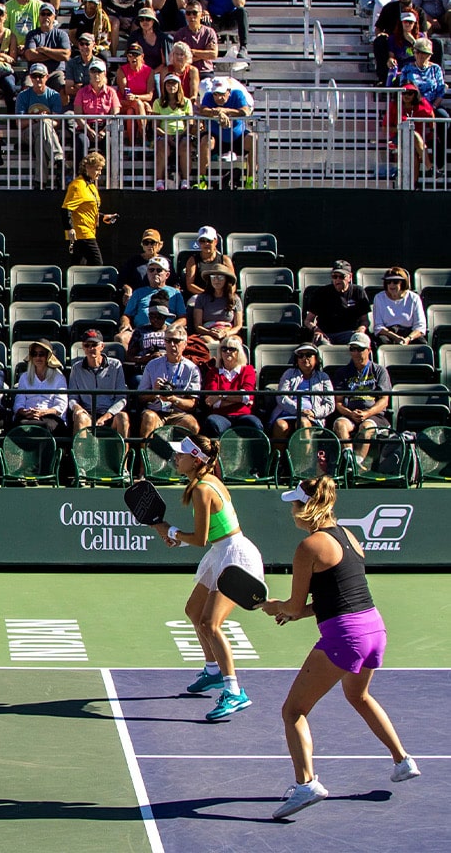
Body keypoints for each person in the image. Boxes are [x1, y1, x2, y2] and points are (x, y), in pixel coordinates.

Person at [260, 477, 421, 819]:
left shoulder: (309, 547)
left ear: (309, 507)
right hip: (374, 629)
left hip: (345, 637)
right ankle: (402, 760)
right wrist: (295, 614)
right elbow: (330, 599)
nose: (291, 511)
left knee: (293, 711)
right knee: (358, 695)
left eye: (295, 505)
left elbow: (294, 602)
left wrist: (278, 607)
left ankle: (306, 784)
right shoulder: (350, 538)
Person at [165, 434, 264, 721]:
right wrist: (178, 538)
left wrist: (173, 534)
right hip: (221, 551)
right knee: (193, 611)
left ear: (196, 460)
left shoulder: (202, 489)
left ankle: (234, 691)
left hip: (235, 555)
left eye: (181, 455)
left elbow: (199, 539)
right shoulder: (202, 482)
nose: (176, 459)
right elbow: (206, 539)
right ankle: (212, 671)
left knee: (211, 623)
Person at [329, 333, 392, 468]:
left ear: (369, 350)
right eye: (353, 349)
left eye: (360, 349)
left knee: (366, 427)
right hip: (350, 414)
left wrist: (368, 413)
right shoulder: (342, 372)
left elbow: (384, 400)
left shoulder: (379, 371)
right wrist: (349, 413)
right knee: (340, 424)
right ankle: (349, 459)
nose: (356, 353)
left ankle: (357, 464)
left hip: (374, 415)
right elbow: (338, 402)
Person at [138, 321, 201, 436]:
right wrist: (154, 392)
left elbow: (192, 404)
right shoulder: (152, 365)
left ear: (185, 344)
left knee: (192, 425)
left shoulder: (192, 369)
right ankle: (145, 453)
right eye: (168, 341)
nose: (172, 344)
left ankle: (182, 454)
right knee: (149, 417)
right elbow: (141, 397)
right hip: (156, 410)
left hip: (178, 413)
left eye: (176, 341)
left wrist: (173, 399)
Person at [68, 329, 128, 436]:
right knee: (80, 417)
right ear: (83, 347)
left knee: (123, 417)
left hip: (110, 413)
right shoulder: (76, 368)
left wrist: (107, 415)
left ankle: (124, 452)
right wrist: (77, 407)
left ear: (102, 346)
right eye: (87, 345)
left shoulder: (116, 365)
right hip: (87, 413)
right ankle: (79, 452)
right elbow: (72, 397)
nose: (91, 348)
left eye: (94, 344)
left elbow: (121, 397)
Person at [61, 151, 117, 266]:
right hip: (81, 233)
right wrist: (69, 228)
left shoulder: (91, 185)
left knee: (78, 266)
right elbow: (66, 209)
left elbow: (88, 209)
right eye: (97, 169)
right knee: (97, 263)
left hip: (89, 230)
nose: (99, 173)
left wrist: (103, 217)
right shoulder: (78, 185)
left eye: (101, 169)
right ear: (87, 167)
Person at [270, 343, 335, 442]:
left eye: (309, 355)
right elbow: (281, 396)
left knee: (303, 423)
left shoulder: (323, 377)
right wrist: (299, 409)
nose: (305, 358)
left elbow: (330, 404)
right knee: (280, 425)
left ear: (316, 359)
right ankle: (277, 457)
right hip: (289, 413)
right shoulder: (289, 373)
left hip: (312, 417)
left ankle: (305, 457)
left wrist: (313, 412)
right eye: (301, 356)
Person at [200, 338, 263, 436]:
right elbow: (210, 401)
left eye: (232, 349)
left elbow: (246, 396)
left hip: (243, 415)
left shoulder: (248, 370)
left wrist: (221, 396)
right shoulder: (213, 372)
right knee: (211, 422)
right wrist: (239, 399)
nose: (227, 352)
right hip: (220, 415)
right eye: (224, 349)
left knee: (255, 424)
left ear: (239, 352)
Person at [305, 260, 371, 346]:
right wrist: (316, 329)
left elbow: (365, 320)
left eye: (341, 277)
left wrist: (361, 329)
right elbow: (308, 320)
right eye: (334, 276)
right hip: (326, 333)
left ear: (350, 277)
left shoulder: (358, 291)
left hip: (349, 333)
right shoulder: (321, 292)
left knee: (361, 341)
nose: (337, 280)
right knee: (320, 342)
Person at [371, 267, 427, 346]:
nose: (391, 285)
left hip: (409, 332)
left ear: (403, 282)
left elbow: (420, 326)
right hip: (388, 333)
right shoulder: (379, 298)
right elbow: (378, 326)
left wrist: (408, 338)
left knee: (421, 343)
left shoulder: (414, 298)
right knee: (382, 341)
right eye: (388, 282)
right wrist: (396, 337)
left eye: (395, 282)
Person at [189, 268, 243, 343]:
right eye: (213, 277)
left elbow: (238, 325)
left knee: (233, 342)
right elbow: (198, 326)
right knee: (211, 343)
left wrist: (226, 333)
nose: (216, 280)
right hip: (208, 332)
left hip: (227, 332)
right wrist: (210, 332)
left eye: (220, 277)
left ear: (226, 280)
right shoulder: (201, 298)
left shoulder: (235, 299)